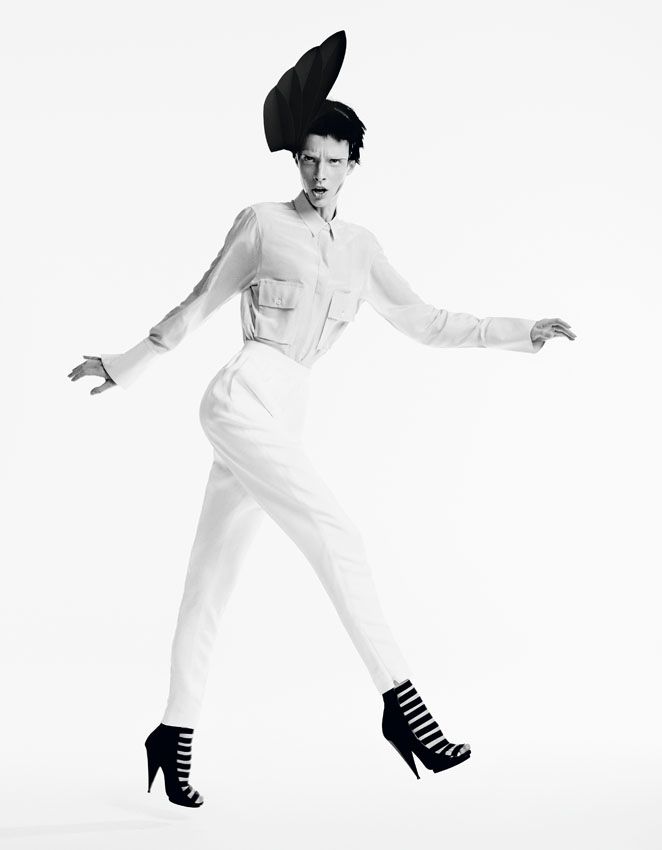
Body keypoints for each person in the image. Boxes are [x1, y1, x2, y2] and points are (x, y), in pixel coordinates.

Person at [68, 31, 576, 807]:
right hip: (241, 395)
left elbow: (428, 322)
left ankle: (172, 732)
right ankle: (403, 705)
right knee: (339, 536)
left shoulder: (362, 248)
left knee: (208, 585)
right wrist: (126, 362)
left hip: (287, 409)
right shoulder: (261, 223)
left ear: (352, 164)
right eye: (307, 160)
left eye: (333, 161)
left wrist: (519, 331)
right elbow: (199, 302)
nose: (317, 174)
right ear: (295, 161)